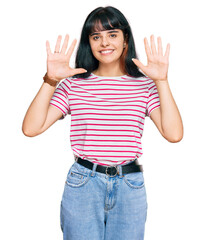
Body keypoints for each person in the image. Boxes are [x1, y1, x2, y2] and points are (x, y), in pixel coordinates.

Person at [22, 6, 183, 240]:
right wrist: (52, 80)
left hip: (130, 185)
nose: (104, 43)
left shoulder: (146, 86)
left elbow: (174, 134)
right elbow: (31, 128)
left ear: (125, 39)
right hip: (84, 184)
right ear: (89, 43)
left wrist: (162, 82)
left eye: (112, 34)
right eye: (96, 36)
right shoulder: (72, 85)